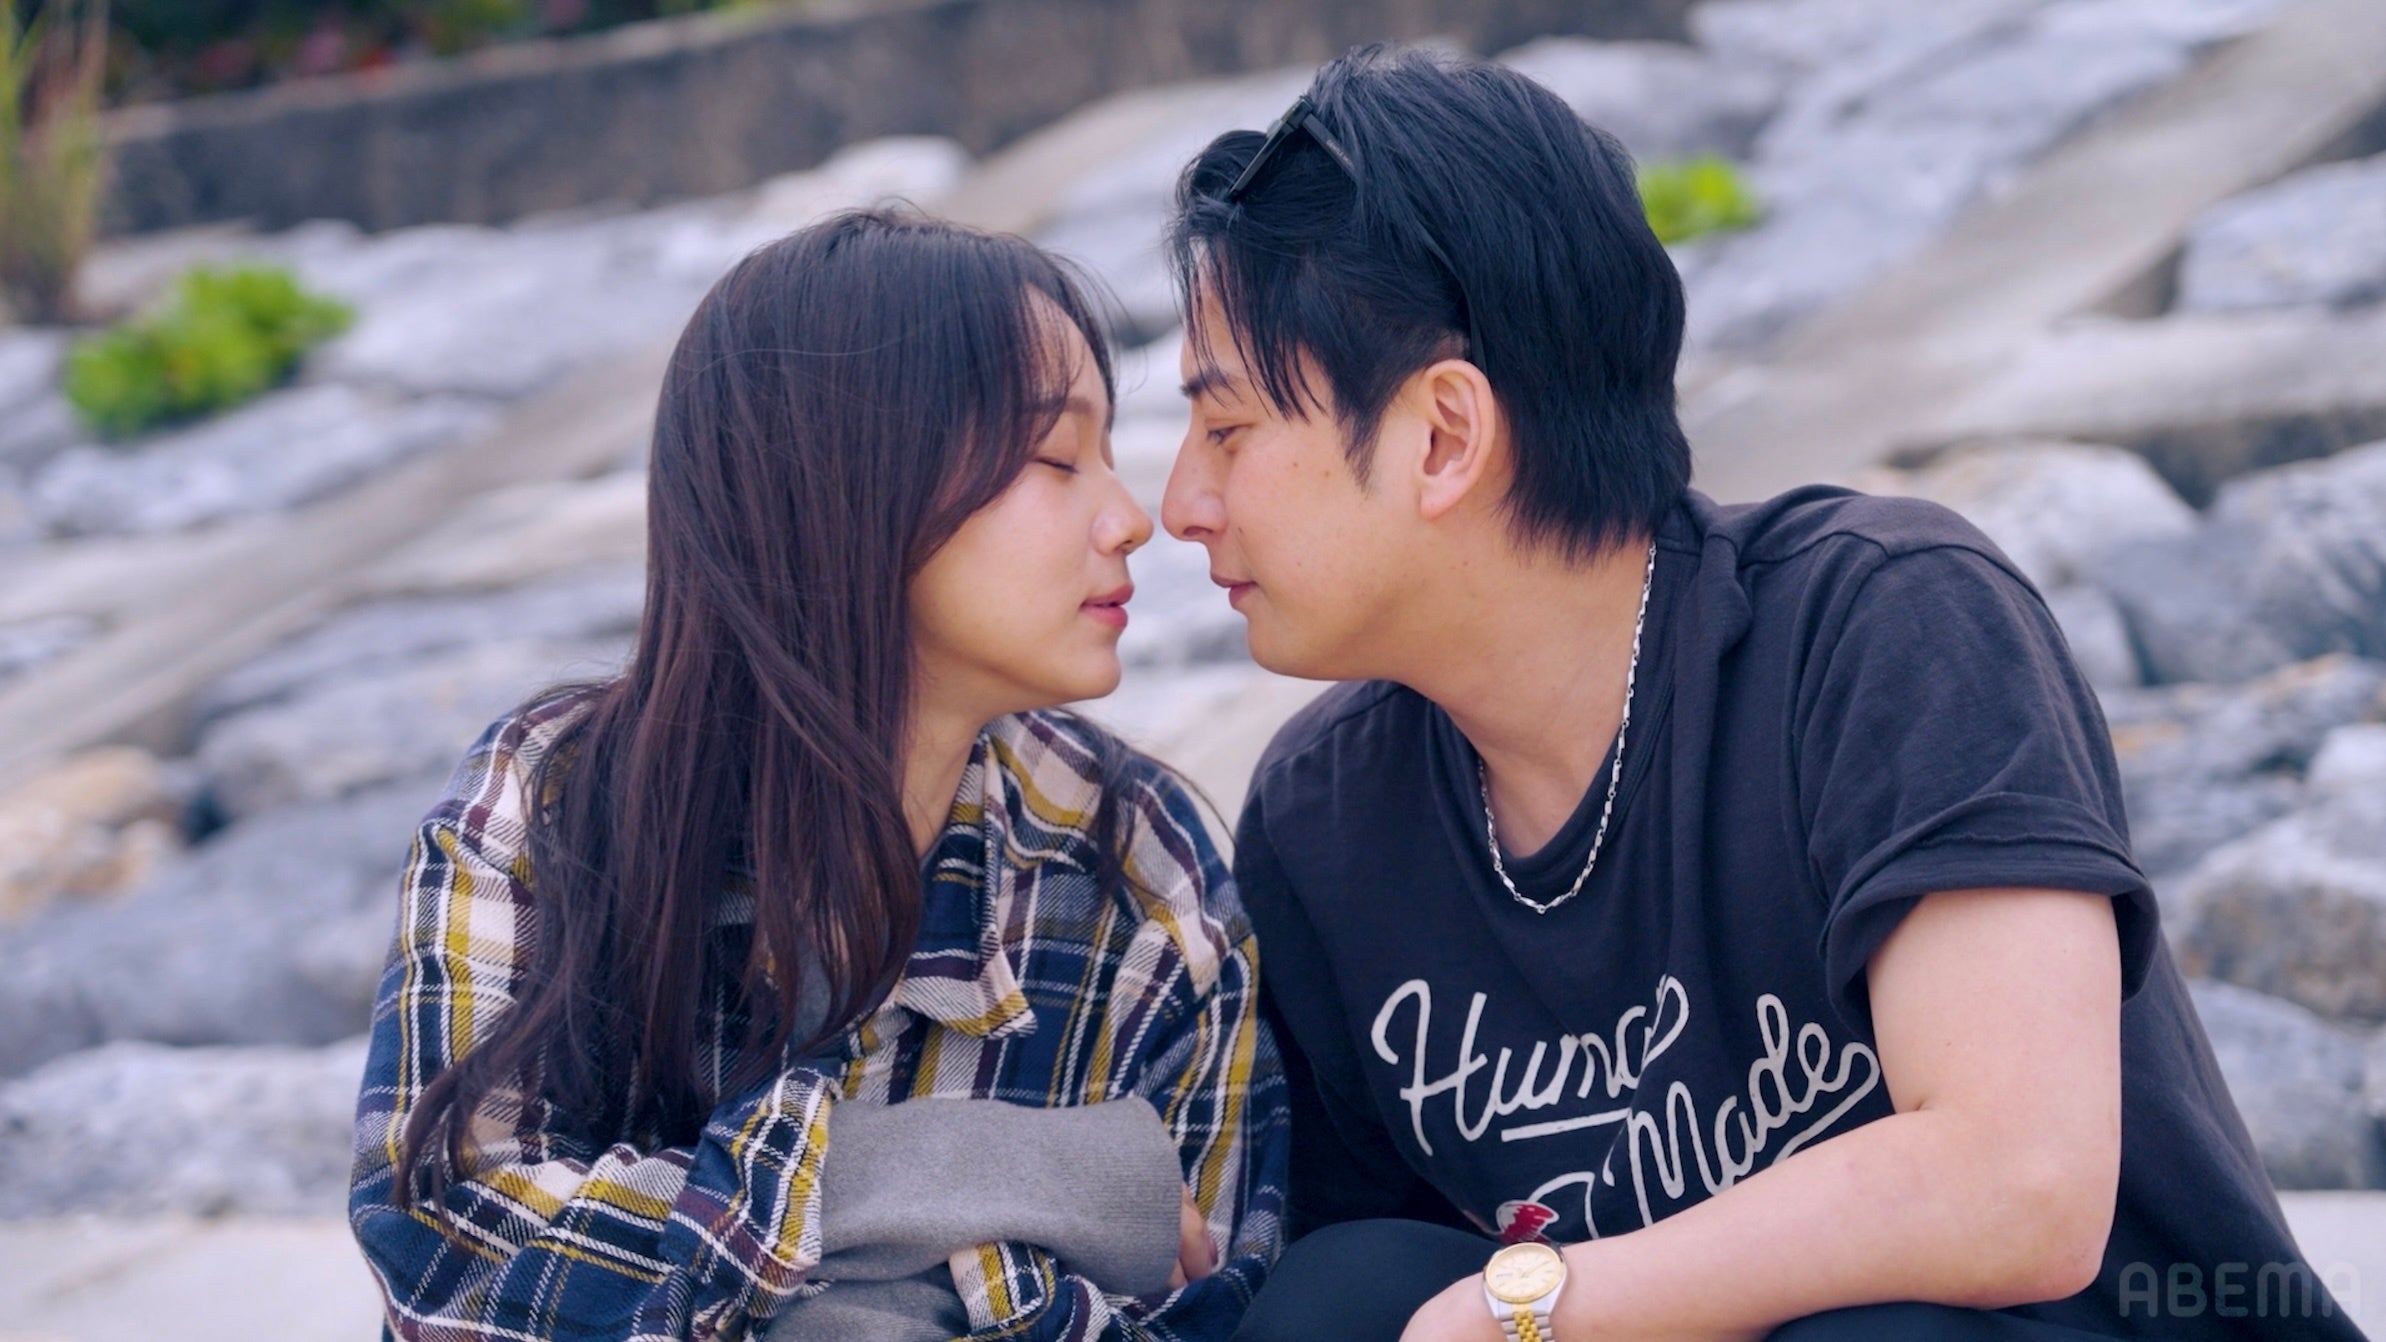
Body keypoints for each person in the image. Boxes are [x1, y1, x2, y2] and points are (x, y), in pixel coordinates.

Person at [1156, 45, 2361, 1342]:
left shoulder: (1885, 621)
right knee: (1335, 1296)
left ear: (1444, 436)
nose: (1180, 504)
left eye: (1226, 430)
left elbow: (2018, 1184)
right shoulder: (1328, 816)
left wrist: (1533, 1305)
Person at [347, 209, 1287, 1342]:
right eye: (1055, 458)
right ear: (846, 485)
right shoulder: (554, 801)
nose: (1131, 519)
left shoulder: (1137, 863)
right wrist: (1002, 1170)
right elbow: (447, 1246)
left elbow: (1210, 1302)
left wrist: (848, 1298)